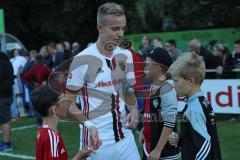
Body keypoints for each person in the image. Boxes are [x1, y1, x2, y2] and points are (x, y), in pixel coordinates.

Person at [65, 2, 140, 160]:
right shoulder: (81, 60)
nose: (120, 34)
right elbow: (68, 103)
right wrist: (89, 125)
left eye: (122, 28)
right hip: (96, 143)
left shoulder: (126, 55)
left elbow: (127, 89)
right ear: (99, 27)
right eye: (114, 29)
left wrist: (134, 109)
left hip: (125, 138)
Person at [168, 52, 222, 160]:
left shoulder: (194, 108)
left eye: (176, 81)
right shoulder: (201, 102)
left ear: (191, 81)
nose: (173, 85)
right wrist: (180, 139)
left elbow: (204, 146)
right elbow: (200, 137)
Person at [31, 85, 94, 160]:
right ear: (53, 110)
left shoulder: (44, 131)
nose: (66, 104)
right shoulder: (51, 137)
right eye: (63, 101)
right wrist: (80, 156)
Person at [139, 47, 180, 160]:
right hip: (150, 147)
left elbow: (169, 122)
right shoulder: (153, 86)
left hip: (163, 154)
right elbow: (150, 114)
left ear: (157, 67)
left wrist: (158, 150)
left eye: (147, 64)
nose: (144, 67)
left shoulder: (167, 90)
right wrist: (144, 130)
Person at [0, 51, 14, 151]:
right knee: (5, 119)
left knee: (5, 120)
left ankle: (6, 144)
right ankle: (6, 143)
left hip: (2, 96)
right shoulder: (8, 62)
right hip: (7, 94)